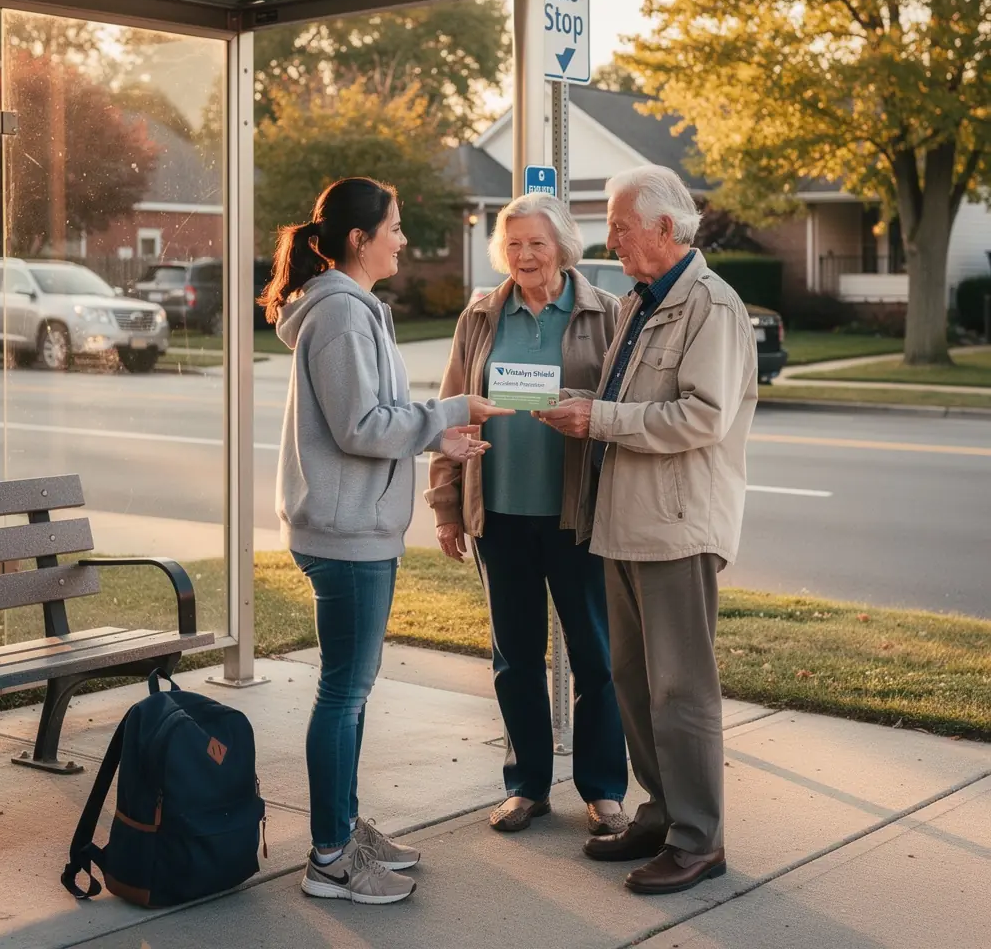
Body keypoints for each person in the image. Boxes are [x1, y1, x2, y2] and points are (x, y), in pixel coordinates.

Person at [262, 176, 512, 906]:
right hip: (344, 533)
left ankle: (343, 824)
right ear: (357, 239)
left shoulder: (350, 308)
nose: (404, 239)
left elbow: (377, 414)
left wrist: (443, 433)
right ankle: (330, 859)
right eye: (395, 228)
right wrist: (449, 410)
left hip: (354, 525)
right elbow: (359, 428)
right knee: (342, 693)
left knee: (352, 690)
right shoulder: (340, 315)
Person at [537, 165, 758, 895]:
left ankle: (701, 840)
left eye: (621, 227)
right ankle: (662, 815)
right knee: (632, 681)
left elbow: (702, 416)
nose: (611, 241)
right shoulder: (638, 303)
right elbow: (622, 399)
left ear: (665, 228)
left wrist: (597, 418)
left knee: (681, 691)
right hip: (622, 524)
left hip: (676, 529)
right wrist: (578, 403)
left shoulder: (711, 307)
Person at [426, 192, 630, 838]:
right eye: (513, 244)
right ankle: (527, 787)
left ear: (563, 246)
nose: (524, 256)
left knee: (597, 658)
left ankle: (603, 791)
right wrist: (447, 506)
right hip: (501, 514)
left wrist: (578, 403)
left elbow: (625, 405)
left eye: (536, 243)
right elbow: (450, 406)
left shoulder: (607, 313)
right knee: (515, 658)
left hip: (580, 517)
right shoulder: (482, 316)